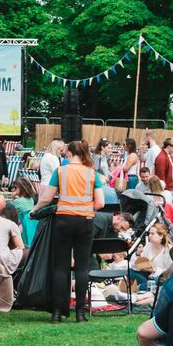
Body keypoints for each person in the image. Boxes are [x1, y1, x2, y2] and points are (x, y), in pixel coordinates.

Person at [38, 138, 106, 324]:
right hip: (85, 221)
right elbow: (100, 203)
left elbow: (47, 198)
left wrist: (34, 210)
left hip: (63, 219)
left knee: (61, 267)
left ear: (69, 154)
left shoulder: (61, 171)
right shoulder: (92, 174)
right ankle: (80, 313)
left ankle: (57, 313)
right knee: (82, 268)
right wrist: (86, 209)